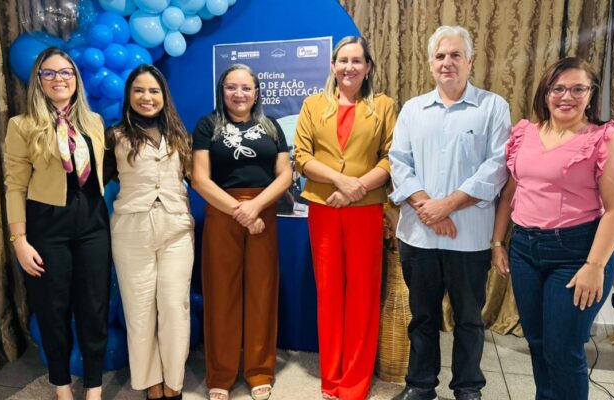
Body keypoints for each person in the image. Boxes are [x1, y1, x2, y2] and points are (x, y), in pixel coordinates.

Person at [490, 57, 614, 400]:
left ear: (591, 93)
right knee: (538, 343)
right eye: (558, 88)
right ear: (546, 93)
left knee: (563, 350)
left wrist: (594, 266)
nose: (566, 96)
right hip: (525, 250)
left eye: (577, 89)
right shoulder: (525, 134)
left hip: (577, 254)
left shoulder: (605, 139)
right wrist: (498, 242)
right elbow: (510, 192)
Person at [388, 26, 511, 400]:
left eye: (456, 55)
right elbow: (399, 162)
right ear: (430, 63)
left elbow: (496, 168)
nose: (447, 62)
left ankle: (468, 387)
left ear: (470, 61)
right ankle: (420, 384)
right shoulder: (413, 109)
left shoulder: (493, 107)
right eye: (440, 56)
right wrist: (431, 208)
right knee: (422, 316)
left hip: (470, 238)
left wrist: (447, 205)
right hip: (419, 235)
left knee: (470, 320)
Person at [293, 36, 397, 400]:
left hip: (366, 211)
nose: (349, 67)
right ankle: (331, 376)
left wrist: (358, 187)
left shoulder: (383, 106)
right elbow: (301, 156)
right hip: (324, 209)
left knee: (362, 295)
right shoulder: (313, 105)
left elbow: (391, 158)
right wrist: (341, 182)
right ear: (332, 66)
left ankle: (354, 382)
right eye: (343, 60)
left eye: (356, 61)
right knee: (330, 294)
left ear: (368, 67)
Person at [4, 48, 109, 400]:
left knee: (94, 307)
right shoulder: (21, 126)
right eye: (48, 73)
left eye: (65, 72)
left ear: (75, 78)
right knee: (53, 310)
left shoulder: (93, 121)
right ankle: (62, 387)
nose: (58, 79)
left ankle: (93, 388)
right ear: (38, 80)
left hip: (93, 224)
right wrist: (19, 239)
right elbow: (15, 186)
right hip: (47, 226)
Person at [191, 64, 292, 400]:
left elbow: (285, 175)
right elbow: (199, 179)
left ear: (256, 92)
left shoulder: (271, 126)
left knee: (262, 293)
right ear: (222, 91)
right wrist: (240, 211)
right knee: (221, 293)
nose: (239, 94)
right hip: (223, 211)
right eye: (231, 87)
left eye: (246, 88)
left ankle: (259, 370)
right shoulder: (208, 125)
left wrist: (255, 207)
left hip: (263, 211)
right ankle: (220, 374)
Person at [103, 64, 194, 400]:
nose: (146, 97)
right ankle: (151, 386)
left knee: (174, 307)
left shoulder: (180, 135)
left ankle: (174, 384)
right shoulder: (114, 136)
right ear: (129, 95)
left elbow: (198, 178)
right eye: (139, 90)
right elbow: (98, 181)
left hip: (176, 231)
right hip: (131, 232)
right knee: (139, 312)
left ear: (163, 95)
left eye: (154, 91)